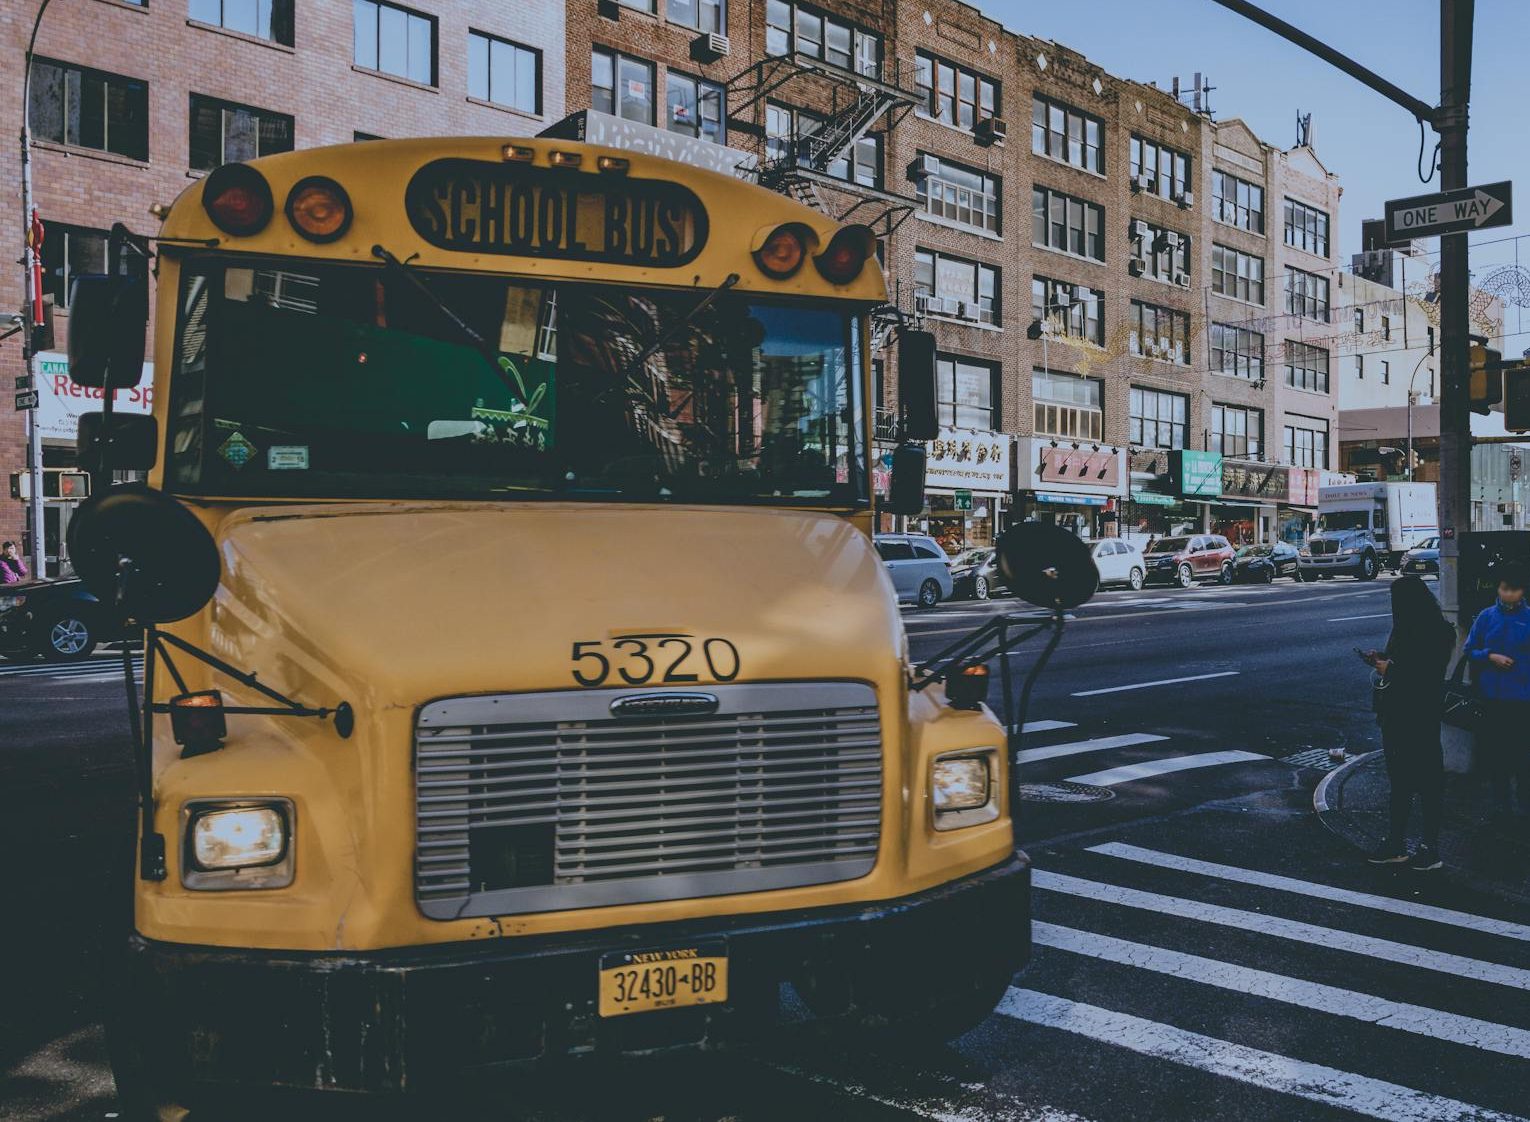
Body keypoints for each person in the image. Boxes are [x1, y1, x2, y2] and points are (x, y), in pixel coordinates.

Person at [1363, 575, 1455, 871]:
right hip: (1400, 715)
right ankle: (1398, 842)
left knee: (1425, 783)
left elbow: (1427, 675)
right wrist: (1383, 661)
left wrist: (1391, 668)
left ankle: (1428, 846)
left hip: (1418, 714)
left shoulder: (1437, 632)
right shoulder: (1410, 628)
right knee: (1401, 782)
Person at [1463, 563, 1530, 818]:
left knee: (1521, 753)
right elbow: (1469, 650)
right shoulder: (1486, 616)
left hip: (1522, 698)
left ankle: (1524, 803)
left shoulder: (1528, 618)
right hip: (1491, 698)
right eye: (1504, 589)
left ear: (1522, 591)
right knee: (1496, 752)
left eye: (1514, 590)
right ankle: (1501, 803)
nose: (1509, 595)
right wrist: (1490, 656)